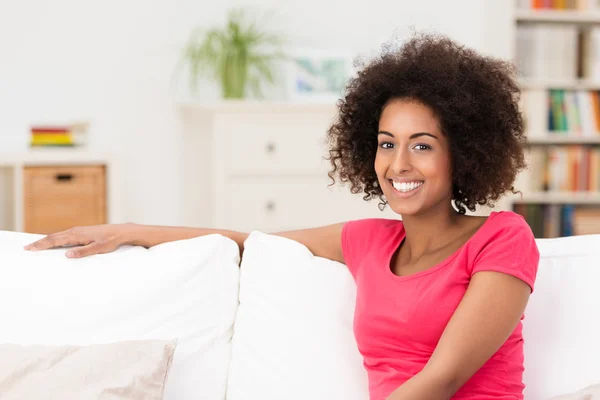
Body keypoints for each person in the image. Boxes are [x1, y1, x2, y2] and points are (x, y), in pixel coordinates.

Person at [25, 32, 540, 400]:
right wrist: (130, 230)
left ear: (466, 152)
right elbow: (250, 240)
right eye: (386, 144)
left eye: (421, 145)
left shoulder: (502, 237)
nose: (398, 164)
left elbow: (444, 379)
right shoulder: (367, 241)